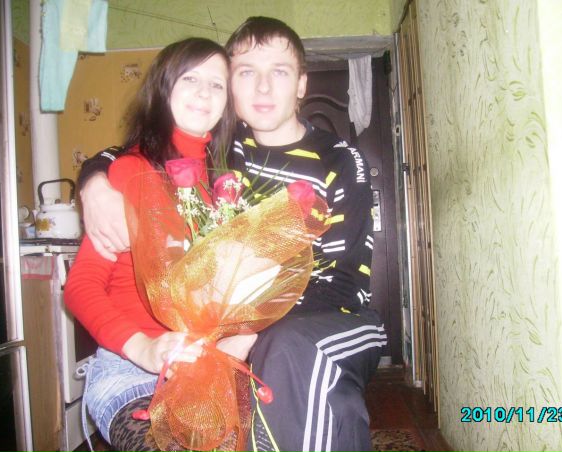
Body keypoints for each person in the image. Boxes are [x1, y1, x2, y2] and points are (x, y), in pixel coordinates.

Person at [78, 17, 387, 452]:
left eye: (279, 71)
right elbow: (145, 151)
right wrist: (94, 181)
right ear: (232, 92)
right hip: (192, 352)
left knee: (294, 354)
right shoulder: (222, 151)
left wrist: (251, 332)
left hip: (323, 324)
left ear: (301, 84)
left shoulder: (340, 161)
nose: (263, 88)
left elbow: (346, 284)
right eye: (246, 73)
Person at [64, 37, 258, 452]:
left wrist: (246, 331)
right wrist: (144, 348)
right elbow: (80, 287)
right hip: (132, 371)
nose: (204, 92)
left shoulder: (224, 187)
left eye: (216, 84)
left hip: (207, 371)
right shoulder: (128, 173)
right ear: (164, 87)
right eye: (190, 79)